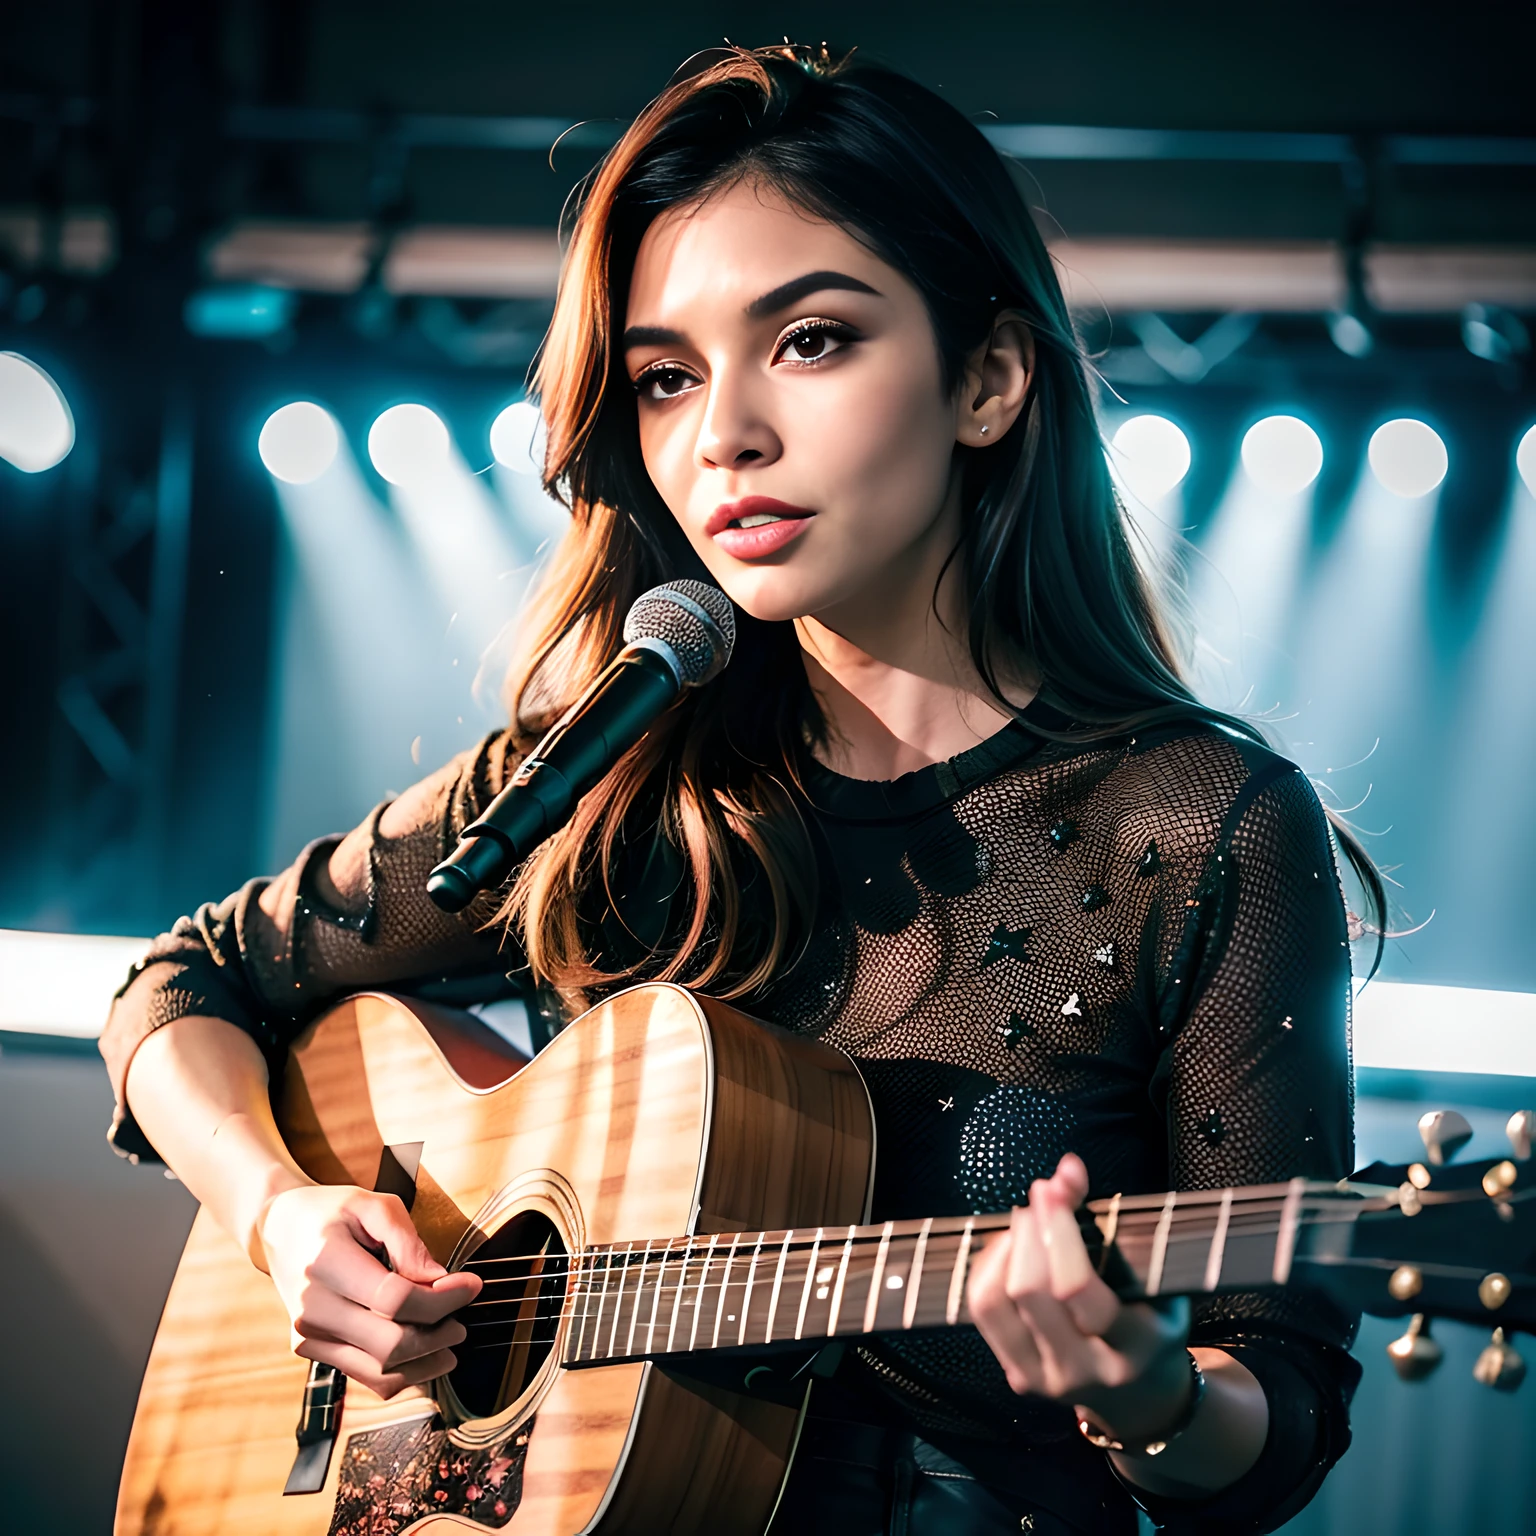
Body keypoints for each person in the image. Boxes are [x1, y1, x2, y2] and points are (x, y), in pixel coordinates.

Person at [101, 43, 1383, 1536]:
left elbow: (1278, 1414)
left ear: (988, 376)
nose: (723, 437)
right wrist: (280, 1215)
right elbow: (180, 982)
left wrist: (1154, 1393)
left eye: (813, 340)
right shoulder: (600, 779)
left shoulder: (1195, 827)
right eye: (663, 377)